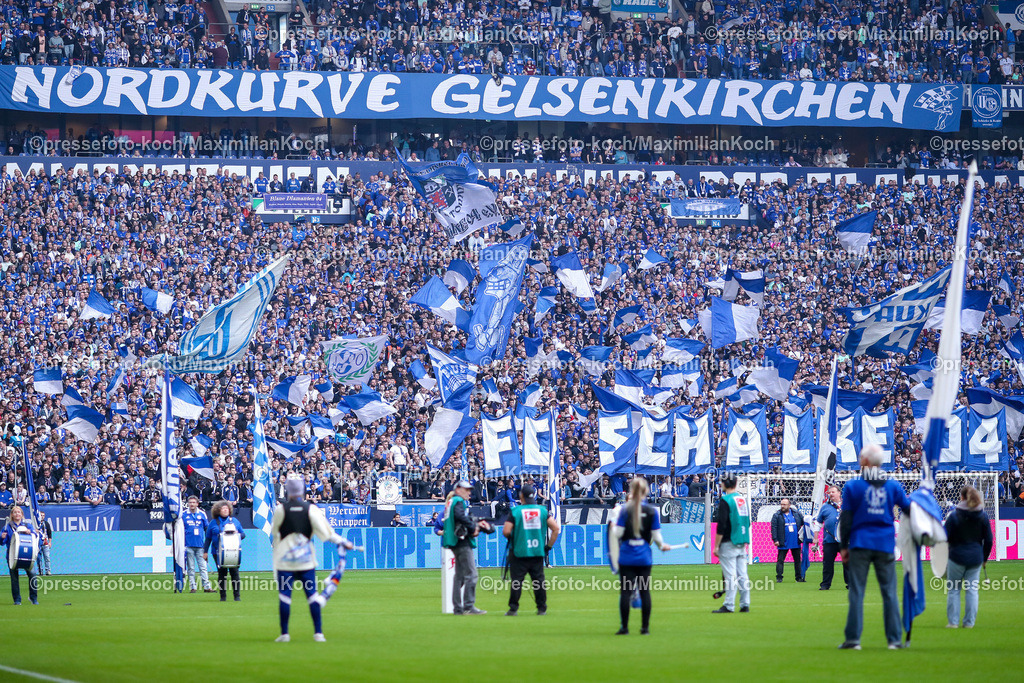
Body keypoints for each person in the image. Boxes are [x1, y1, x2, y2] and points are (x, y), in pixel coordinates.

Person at [838, 444, 911, 650]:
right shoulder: (893, 485)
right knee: (889, 593)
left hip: (860, 543)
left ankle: (853, 640)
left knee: (857, 592)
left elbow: (846, 519)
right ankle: (894, 640)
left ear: (866, 462)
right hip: (885, 544)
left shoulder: (853, 486)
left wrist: (844, 547)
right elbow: (908, 509)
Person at [271, 473, 354, 642]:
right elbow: (326, 532)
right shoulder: (311, 509)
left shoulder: (280, 510)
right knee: (312, 596)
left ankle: (285, 634)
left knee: (285, 597)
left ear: (288, 490)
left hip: (285, 562)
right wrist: (343, 541)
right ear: (302, 490)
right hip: (306, 561)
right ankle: (318, 633)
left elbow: (274, 534)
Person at [611, 477, 670, 635]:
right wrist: (662, 546)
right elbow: (656, 537)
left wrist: (614, 524)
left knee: (625, 592)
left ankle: (624, 627)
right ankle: (645, 628)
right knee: (645, 591)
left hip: (627, 556)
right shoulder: (651, 511)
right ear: (646, 491)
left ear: (631, 491)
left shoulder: (625, 510)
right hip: (644, 556)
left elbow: (618, 533)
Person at [503, 483, 560, 616]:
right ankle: (541, 608)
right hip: (537, 552)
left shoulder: (516, 511)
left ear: (521, 496)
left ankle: (513, 608)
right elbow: (556, 529)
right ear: (534, 495)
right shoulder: (542, 511)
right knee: (538, 581)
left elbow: (506, 531)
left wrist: (513, 538)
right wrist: (548, 547)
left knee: (517, 581)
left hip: (519, 552)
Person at [944, 485, 993, 629]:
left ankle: (953, 622)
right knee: (972, 590)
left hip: (956, 556)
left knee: (954, 590)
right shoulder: (982, 515)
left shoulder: (954, 516)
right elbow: (989, 540)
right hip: (975, 558)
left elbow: (944, 536)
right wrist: (984, 558)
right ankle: (969, 623)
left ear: (962, 497)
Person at [442, 480, 494, 615]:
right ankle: (469, 606)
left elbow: (458, 517)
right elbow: (460, 516)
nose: (469, 492)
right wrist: (474, 527)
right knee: (471, 574)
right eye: (467, 489)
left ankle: (458, 608)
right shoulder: (458, 500)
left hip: (453, 540)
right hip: (461, 540)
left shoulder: (451, 501)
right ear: (458, 489)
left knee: (459, 576)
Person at [711, 473, 750, 613]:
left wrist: (716, 545)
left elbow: (721, 525)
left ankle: (729, 605)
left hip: (729, 540)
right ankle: (745, 604)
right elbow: (747, 521)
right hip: (741, 540)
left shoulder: (725, 500)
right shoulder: (742, 499)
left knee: (730, 575)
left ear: (726, 484)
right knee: (742, 574)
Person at [204, 500, 246, 602]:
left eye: (227, 508)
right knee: (222, 574)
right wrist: (205, 552)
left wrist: (237, 533)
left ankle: (237, 596)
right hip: (217, 552)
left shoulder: (234, 521)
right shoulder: (213, 523)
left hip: (233, 551)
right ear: (218, 510)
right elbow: (208, 538)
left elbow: (243, 535)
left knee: (234, 573)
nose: (226, 510)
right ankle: (223, 597)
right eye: (223, 508)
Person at [0, 506, 39, 604]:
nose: (17, 514)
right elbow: (2, 542)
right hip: (12, 555)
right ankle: (17, 600)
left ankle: (33, 598)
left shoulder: (27, 525)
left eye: (19, 512)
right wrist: (1, 537)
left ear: (22, 514)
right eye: (15, 512)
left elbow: (35, 535)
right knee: (14, 578)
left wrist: (31, 532)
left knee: (33, 575)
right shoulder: (7, 526)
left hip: (28, 555)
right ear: (12, 515)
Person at [817, 486, 848, 590]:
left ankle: (851, 584)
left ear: (839, 493)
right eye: (829, 492)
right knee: (827, 564)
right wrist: (816, 537)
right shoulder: (825, 506)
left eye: (833, 492)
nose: (831, 494)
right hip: (829, 541)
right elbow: (818, 523)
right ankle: (825, 584)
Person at [182, 496, 213, 593]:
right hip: (188, 545)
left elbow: (206, 528)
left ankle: (207, 586)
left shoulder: (202, 514)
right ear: (188, 503)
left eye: (193, 502)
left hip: (200, 545)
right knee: (191, 567)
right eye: (190, 502)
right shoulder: (183, 514)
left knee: (203, 567)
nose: (192, 504)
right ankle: (193, 587)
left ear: (197, 504)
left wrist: (206, 544)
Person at [771, 498, 805, 582]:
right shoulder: (777, 515)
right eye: (781, 504)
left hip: (795, 541)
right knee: (780, 560)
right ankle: (779, 577)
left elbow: (804, 523)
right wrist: (775, 539)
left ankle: (799, 577)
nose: (782, 506)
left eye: (784, 504)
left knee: (797, 560)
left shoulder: (796, 513)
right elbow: (773, 528)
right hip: (783, 541)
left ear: (789, 505)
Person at [36, 510, 53, 576]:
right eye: (41, 515)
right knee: (39, 558)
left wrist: (50, 542)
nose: (42, 517)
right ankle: (40, 571)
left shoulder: (46, 524)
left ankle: (48, 570)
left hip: (45, 543)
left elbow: (49, 533)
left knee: (47, 557)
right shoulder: (36, 524)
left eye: (43, 515)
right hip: (38, 543)